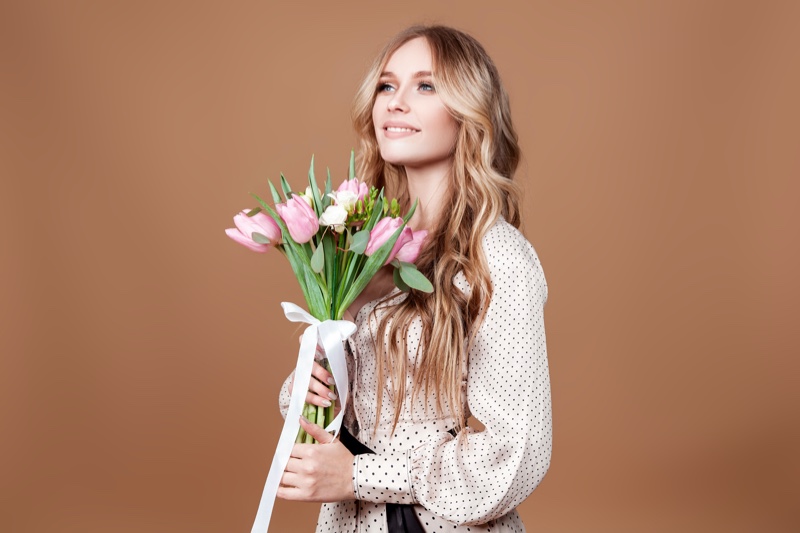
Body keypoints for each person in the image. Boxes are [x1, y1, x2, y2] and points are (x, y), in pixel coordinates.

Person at [276, 24, 552, 532]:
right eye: (386, 85)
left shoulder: (497, 258)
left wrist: (360, 474)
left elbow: (517, 452)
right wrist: (316, 379)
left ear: (469, 109)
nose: (395, 103)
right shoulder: (364, 248)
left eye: (425, 86)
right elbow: (348, 410)